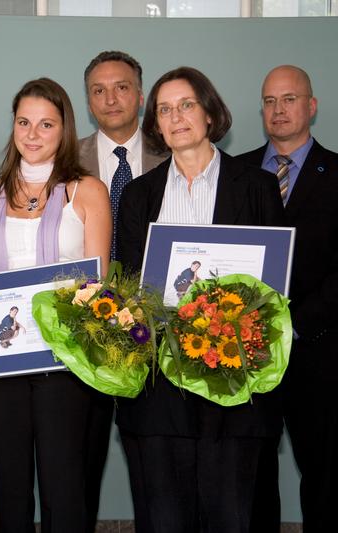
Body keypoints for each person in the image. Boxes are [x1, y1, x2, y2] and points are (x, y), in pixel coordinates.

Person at [115, 66, 285, 533]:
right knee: (164, 518)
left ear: (210, 113)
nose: (176, 117)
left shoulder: (257, 188)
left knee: (231, 517)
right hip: (159, 391)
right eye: (165, 110)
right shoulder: (138, 196)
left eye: (186, 104)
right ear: (155, 125)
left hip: (232, 382)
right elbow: (132, 288)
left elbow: (273, 294)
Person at [0, 77, 112, 532]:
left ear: (64, 130)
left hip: (64, 364)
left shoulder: (86, 191)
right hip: (2, 362)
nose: (32, 133)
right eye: (24, 122)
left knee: (64, 489)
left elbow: (98, 286)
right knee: (8, 489)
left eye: (45, 124)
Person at [238, 65, 338, 532]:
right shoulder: (235, 174)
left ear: (310, 106)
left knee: (321, 479)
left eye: (289, 99)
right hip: (244, 355)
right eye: (270, 101)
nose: (279, 109)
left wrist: (288, 324)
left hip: (317, 353)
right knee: (253, 478)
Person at [78, 51, 166, 531]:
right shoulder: (64, 157)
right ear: (88, 99)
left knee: (151, 459)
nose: (110, 98)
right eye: (98, 89)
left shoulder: (172, 151)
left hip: (151, 333)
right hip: (82, 331)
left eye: (121, 86)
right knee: (80, 460)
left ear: (141, 93)